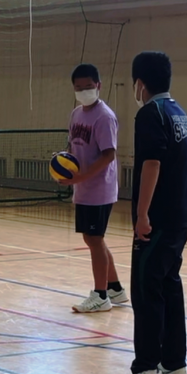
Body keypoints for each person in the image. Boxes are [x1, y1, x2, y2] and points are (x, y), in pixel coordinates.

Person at [119, 52, 187, 374]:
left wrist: (141, 214)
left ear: (140, 83)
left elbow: (152, 163)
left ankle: (148, 368)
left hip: (158, 220)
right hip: (179, 218)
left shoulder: (150, 114)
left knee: (146, 291)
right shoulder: (180, 114)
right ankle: (174, 363)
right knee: (168, 285)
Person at [61, 64, 127, 313]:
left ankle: (100, 295)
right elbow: (72, 147)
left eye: (88, 86)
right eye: (79, 88)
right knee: (92, 238)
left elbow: (109, 155)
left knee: (95, 239)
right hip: (83, 188)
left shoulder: (104, 117)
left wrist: (82, 177)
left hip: (99, 189)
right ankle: (114, 288)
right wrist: (65, 169)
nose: (84, 91)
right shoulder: (76, 114)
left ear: (98, 85)